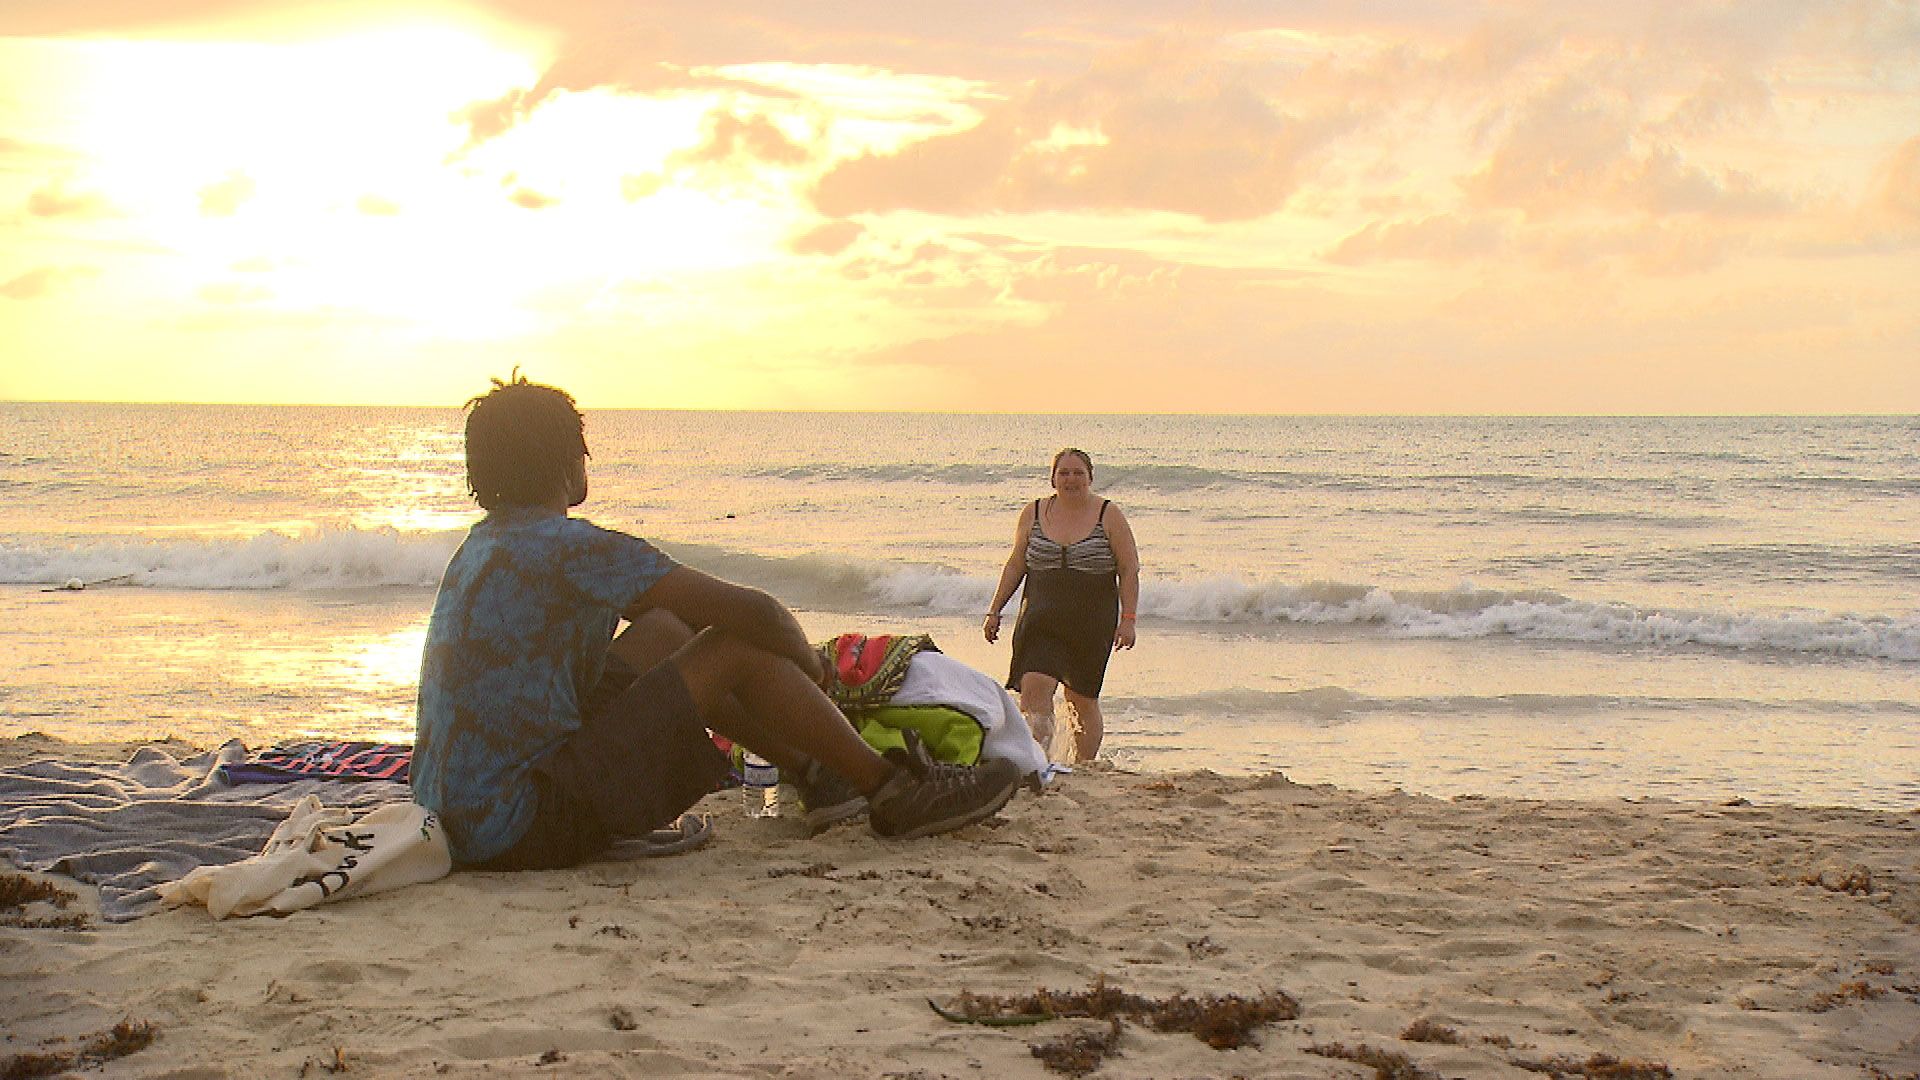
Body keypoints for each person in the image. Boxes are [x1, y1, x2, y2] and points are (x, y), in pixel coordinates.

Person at [413, 374, 1021, 869]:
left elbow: (671, 617)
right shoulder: (569, 548)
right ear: (565, 462)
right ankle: (891, 789)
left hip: (456, 817)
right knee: (734, 645)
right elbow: (752, 613)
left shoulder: (484, 547)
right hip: (521, 828)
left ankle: (815, 771)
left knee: (667, 634)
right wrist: (813, 670)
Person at [983, 448, 1140, 762]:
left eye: (1078, 472)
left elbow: (1129, 569)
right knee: (1035, 687)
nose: (1071, 479)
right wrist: (995, 609)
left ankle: (1083, 766)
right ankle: (1037, 760)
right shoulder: (1034, 512)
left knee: (1081, 699)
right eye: (1064, 473)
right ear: (1053, 479)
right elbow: (1016, 565)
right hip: (1040, 618)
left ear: (1090, 478)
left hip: (1091, 621)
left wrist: (1129, 619)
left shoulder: (1108, 514)